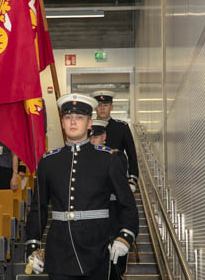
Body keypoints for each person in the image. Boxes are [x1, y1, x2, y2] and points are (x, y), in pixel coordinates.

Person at [25, 93, 138, 280]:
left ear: (89, 123)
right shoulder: (48, 161)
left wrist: (125, 236)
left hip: (97, 248)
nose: (73, 122)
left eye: (79, 117)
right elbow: (39, 209)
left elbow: (127, 204)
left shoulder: (108, 159)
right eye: (68, 117)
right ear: (62, 123)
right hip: (60, 250)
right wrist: (32, 246)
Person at [91, 90, 139, 278]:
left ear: (111, 106)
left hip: (117, 191)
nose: (102, 108)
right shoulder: (87, 127)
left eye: (105, 105)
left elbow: (132, 155)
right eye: (99, 105)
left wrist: (132, 179)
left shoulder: (121, 127)